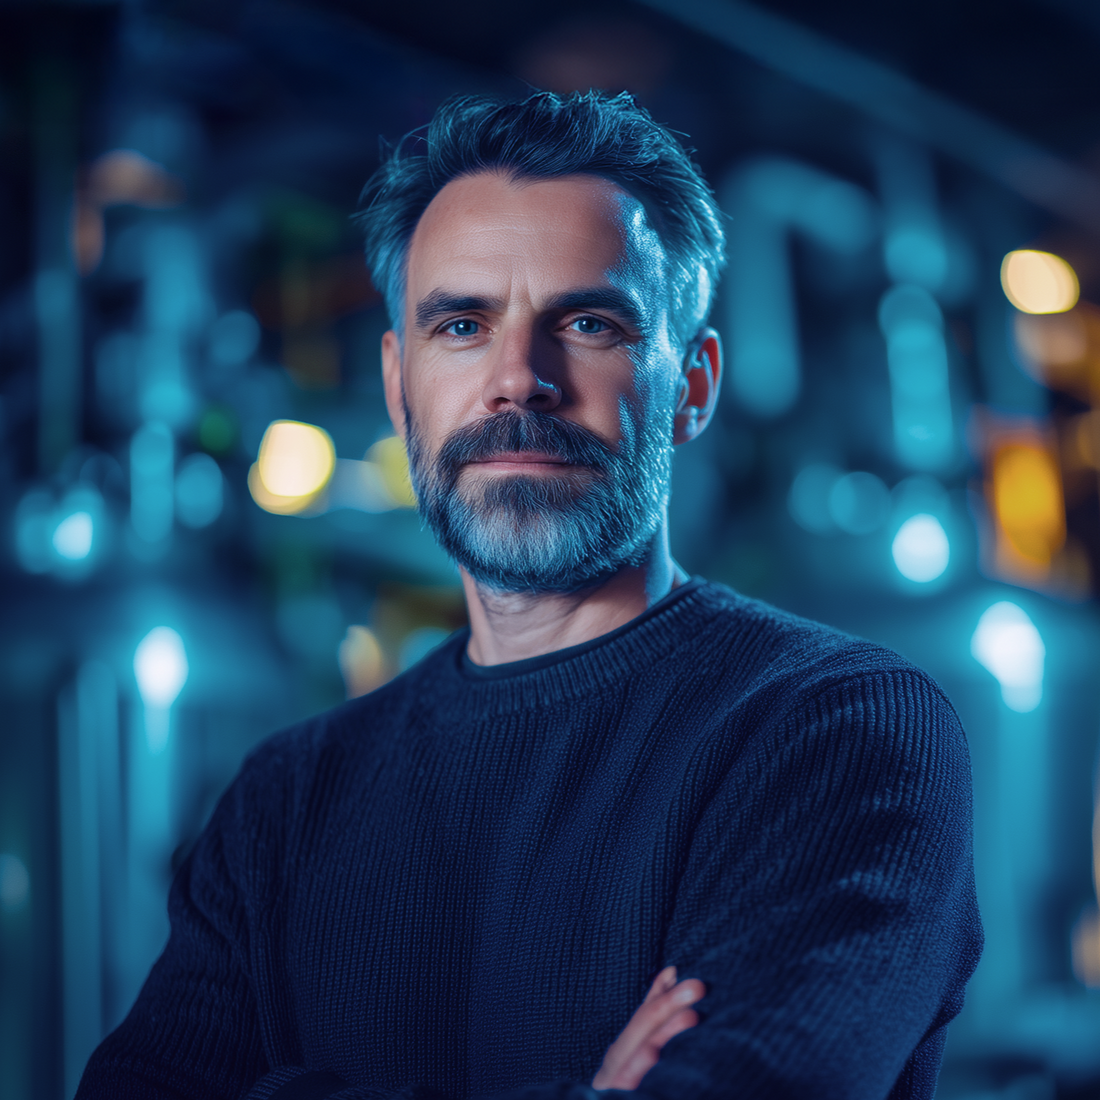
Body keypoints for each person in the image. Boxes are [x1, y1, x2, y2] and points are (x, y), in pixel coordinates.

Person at [77, 90, 982, 1100]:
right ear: (396, 383)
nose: (517, 378)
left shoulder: (835, 729)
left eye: (586, 322)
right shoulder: (284, 800)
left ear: (690, 385)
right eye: (461, 324)